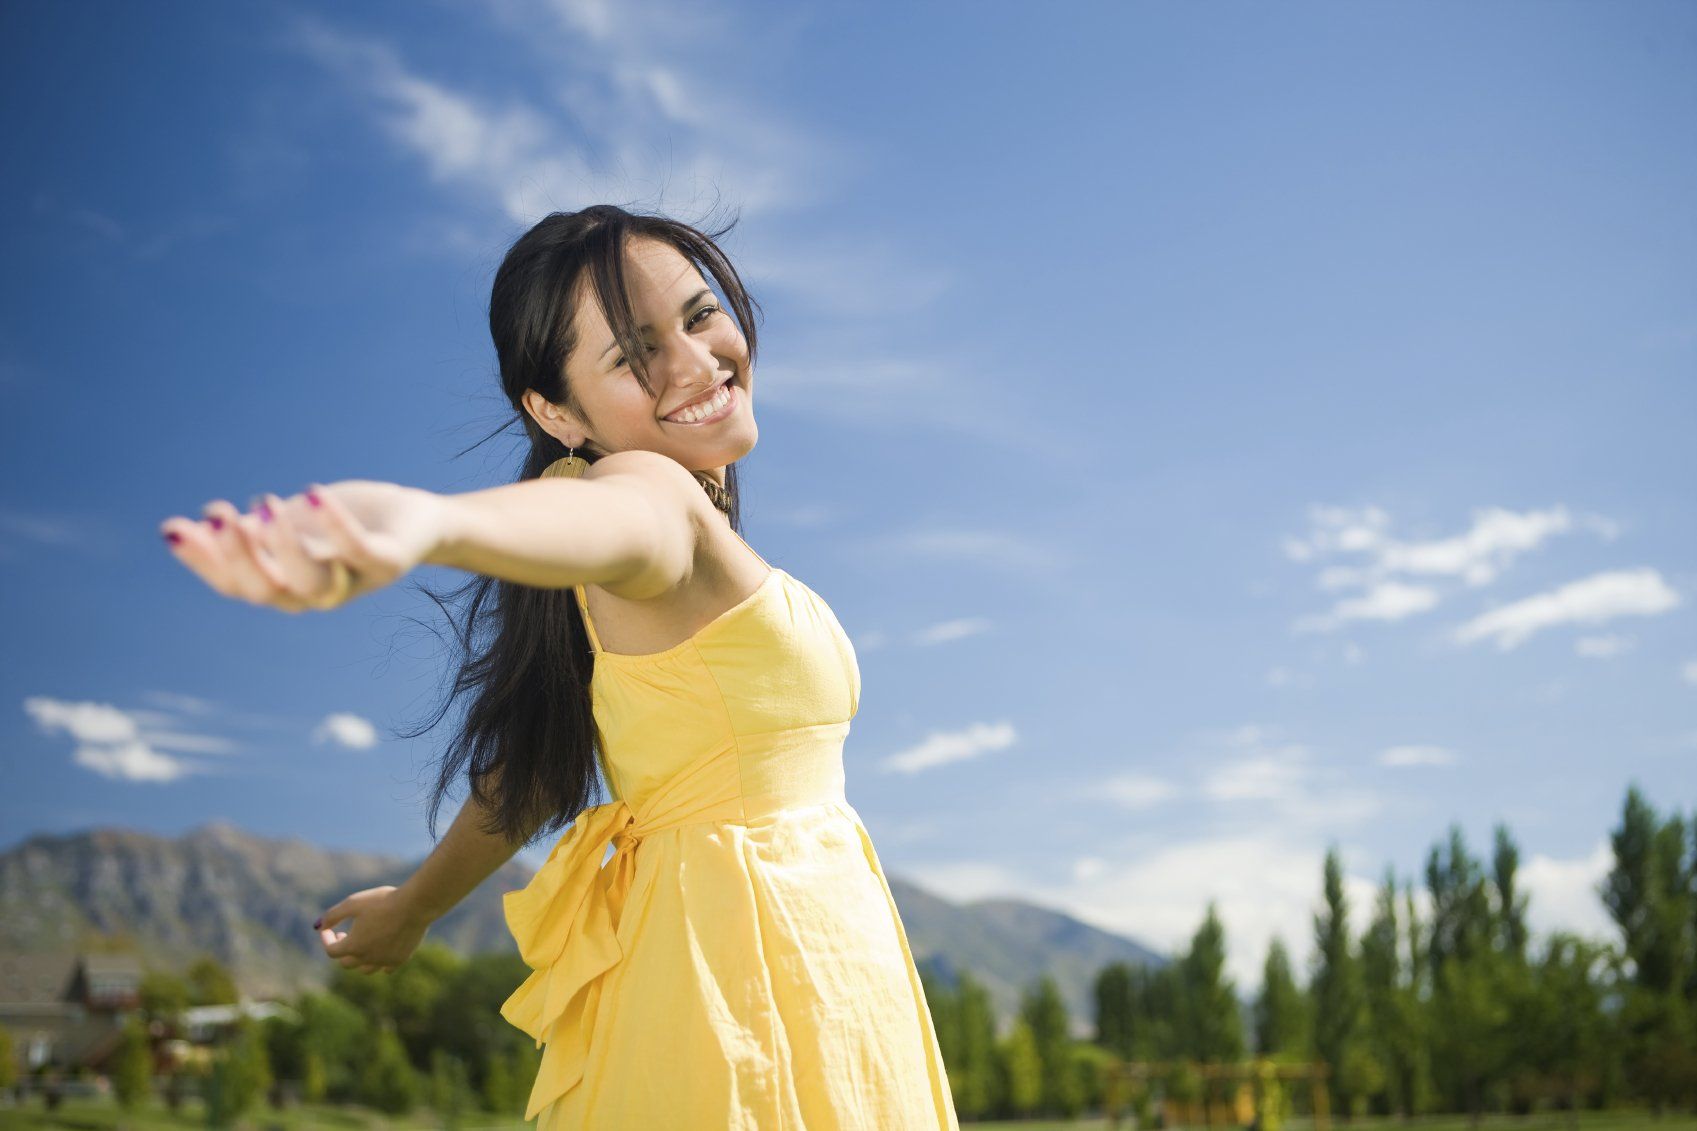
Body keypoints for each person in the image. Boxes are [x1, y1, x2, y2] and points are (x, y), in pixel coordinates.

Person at [159, 204, 961, 1129]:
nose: (696, 363)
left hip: (779, 961)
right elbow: (626, 520)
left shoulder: (632, 541)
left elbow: (530, 769)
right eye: (633, 354)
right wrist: (431, 523)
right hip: (747, 986)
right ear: (554, 410)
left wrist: (415, 908)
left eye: (700, 316)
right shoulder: (647, 492)